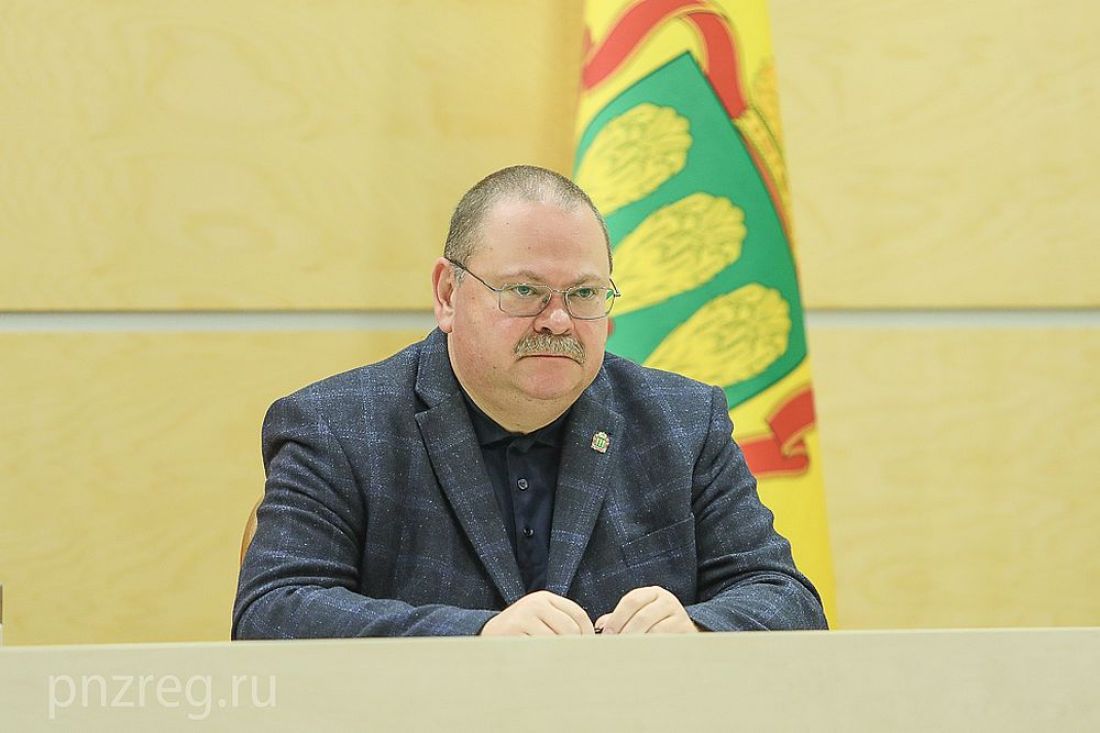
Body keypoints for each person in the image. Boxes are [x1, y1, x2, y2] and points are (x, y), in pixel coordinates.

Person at [233, 165, 826, 638]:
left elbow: (787, 599)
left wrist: (697, 627)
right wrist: (474, 636)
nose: (558, 320)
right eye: (524, 291)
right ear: (448, 293)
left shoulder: (683, 422)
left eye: (585, 293)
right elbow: (271, 613)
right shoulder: (336, 425)